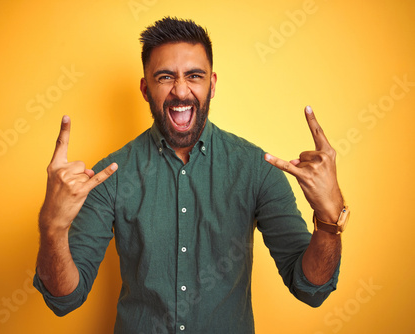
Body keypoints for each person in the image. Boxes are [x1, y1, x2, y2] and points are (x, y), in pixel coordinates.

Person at [33, 17, 349, 333]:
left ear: (212, 84)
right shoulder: (110, 175)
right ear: (145, 89)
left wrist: (327, 218)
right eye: (165, 77)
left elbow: (311, 289)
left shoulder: (257, 170)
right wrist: (52, 227)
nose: (181, 91)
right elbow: (64, 299)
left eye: (194, 76)